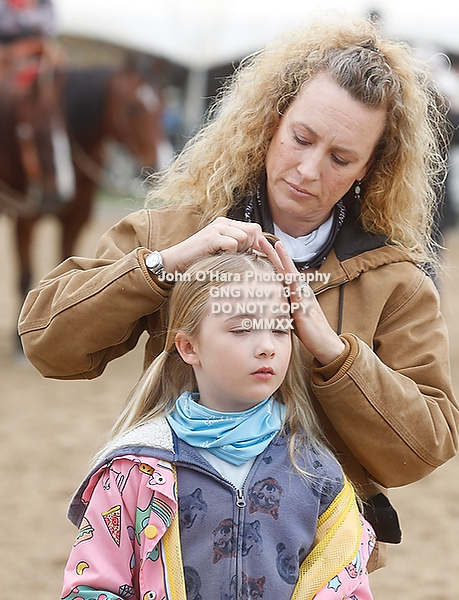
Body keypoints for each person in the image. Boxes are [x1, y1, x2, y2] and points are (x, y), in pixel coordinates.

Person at [18, 14, 459, 571]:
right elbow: (46, 343)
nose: (308, 169)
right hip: (168, 552)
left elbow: (423, 448)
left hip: (318, 568)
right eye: (301, 138)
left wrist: (334, 354)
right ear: (272, 121)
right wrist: (161, 267)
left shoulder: (397, 282)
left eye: (340, 158)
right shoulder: (173, 234)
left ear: (370, 169)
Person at [61, 250, 376, 600]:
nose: (267, 347)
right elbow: (90, 588)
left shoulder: (314, 470)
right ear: (189, 347)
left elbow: (347, 586)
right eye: (242, 329)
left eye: (280, 328)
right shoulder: (137, 469)